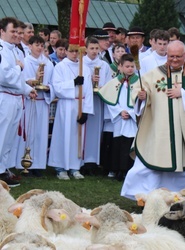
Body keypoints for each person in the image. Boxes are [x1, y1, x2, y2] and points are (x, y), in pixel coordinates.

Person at [120, 41, 185, 199]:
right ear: (167, 56)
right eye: (171, 56)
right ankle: (143, 195)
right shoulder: (155, 73)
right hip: (159, 128)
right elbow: (140, 90)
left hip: (184, 130)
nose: (174, 60)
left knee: (180, 168)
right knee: (148, 164)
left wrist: (183, 92)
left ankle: (174, 197)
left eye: (178, 56)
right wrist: (142, 97)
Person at [47, 42, 94, 180]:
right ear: (66, 51)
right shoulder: (61, 67)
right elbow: (56, 87)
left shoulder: (84, 68)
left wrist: (86, 111)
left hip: (81, 103)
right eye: (72, 51)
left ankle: (75, 167)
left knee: (77, 136)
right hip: (66, 105)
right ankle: (60, 168)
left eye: (77, 51)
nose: (74, 54)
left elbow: (89, 90)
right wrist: (73, 83)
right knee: (63, 135)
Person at [0, 17, 37, 187]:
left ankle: (4, 167)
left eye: (17, 32)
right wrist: (19, 67)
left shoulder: (15, 50)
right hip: (4, 96)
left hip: (15, 97)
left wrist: (28, 89)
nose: (16, 35)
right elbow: (4, 76)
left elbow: (18, 79)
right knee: (2, 134)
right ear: (2, 32)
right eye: (12, 31)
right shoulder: (1, 50)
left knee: (9, 137)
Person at [15, 35, 54, 177]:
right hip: (30, 101)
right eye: (36, 45)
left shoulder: (48, 63)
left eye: (42, 45)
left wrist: (48, 87)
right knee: (29, 133)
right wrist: (33, 82)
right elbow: (21, 81)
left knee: (41, 134)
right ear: (30, 46)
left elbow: (53, 82)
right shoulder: (25, 61)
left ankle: (37, 164)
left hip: (42, 101)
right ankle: (24, 164)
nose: (39, 48)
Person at [98, 54, 138, 181]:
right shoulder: (114, 82)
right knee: (117, 143)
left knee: (129, 143)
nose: (130, 69)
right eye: (127, 66)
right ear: (120, 67)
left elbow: (141, 101)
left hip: (132, 119)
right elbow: (110, 100)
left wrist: (131, 113)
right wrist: (120, 112)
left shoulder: (139, 82)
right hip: (119, 118)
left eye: (132, 66)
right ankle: (117, 170)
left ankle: (128, 170)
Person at [82, 37, 113, 175]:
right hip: (83, 100)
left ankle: (93, 161)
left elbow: (108, 83)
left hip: (97, 100)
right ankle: (82, 160)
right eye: (91, 48)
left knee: (95, 131)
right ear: (86, 49)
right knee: (84, 130)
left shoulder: (104, 65)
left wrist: (100, 87)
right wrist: (89, 81)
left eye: (96, 49)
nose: (94, 51)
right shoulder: (81, 63)